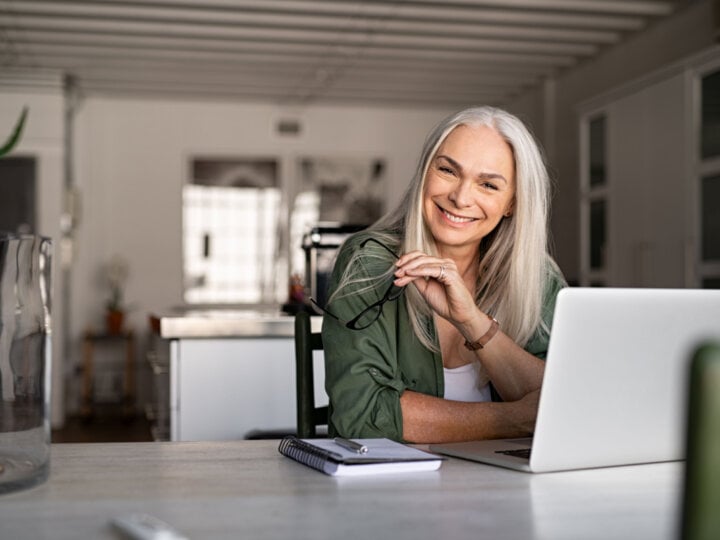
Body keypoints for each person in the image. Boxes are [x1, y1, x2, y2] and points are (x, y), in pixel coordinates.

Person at [319, 106, 567, 444]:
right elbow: (361, 416)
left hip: (506, 487)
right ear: (425, 172)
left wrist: (472, 322)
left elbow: (566, 405)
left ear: (512, 203)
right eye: (448, 170)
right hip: (388, 488)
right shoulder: (370, 261)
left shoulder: (537, 277)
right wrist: (513, 419)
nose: (460, 197)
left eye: (489, 185)